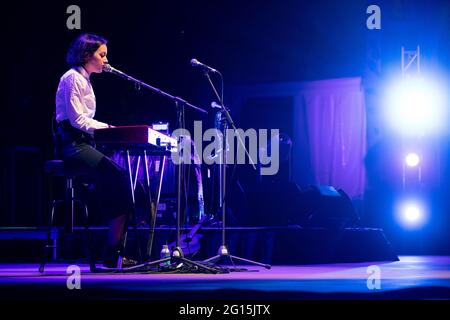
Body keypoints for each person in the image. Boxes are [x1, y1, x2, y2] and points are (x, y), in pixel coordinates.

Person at [55, 33, 134, 268]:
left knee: (127, 185)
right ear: (87, 55)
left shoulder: (85, 79)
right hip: (72, 145)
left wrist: (106, 130)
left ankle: (114, 251)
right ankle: (111, 251)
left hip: (85, 144)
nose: (106, 60)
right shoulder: (71, 78)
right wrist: (107, 128)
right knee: (117, 177)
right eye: (102, 55)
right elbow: (78, 120)